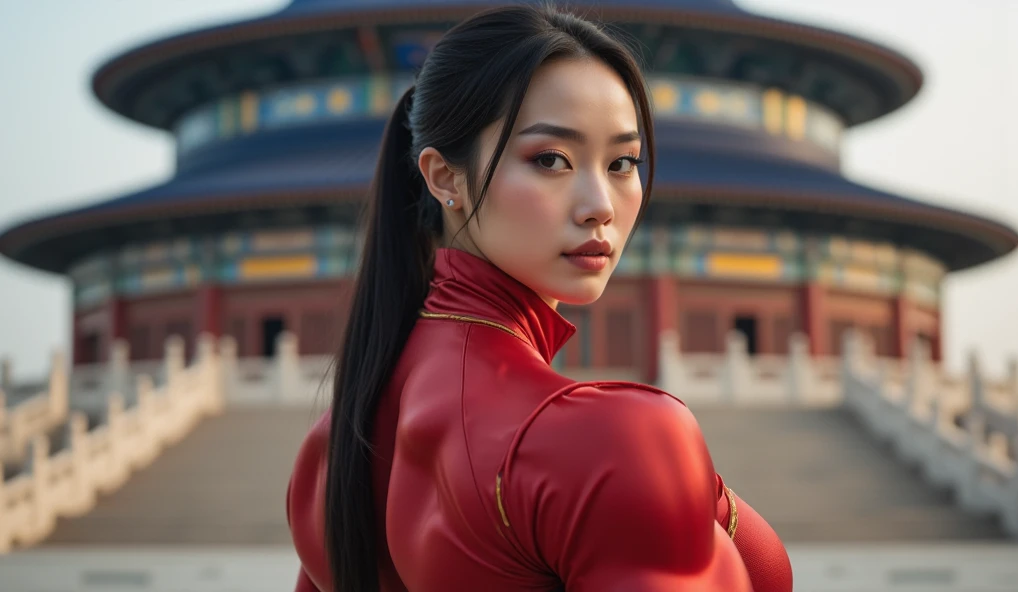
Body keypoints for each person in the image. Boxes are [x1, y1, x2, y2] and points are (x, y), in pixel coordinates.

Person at [286, 4, 793, 591]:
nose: (600, 204)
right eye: (551, 159)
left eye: (622, 162)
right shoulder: (608, 441)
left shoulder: (331, 450)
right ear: (445, 177)